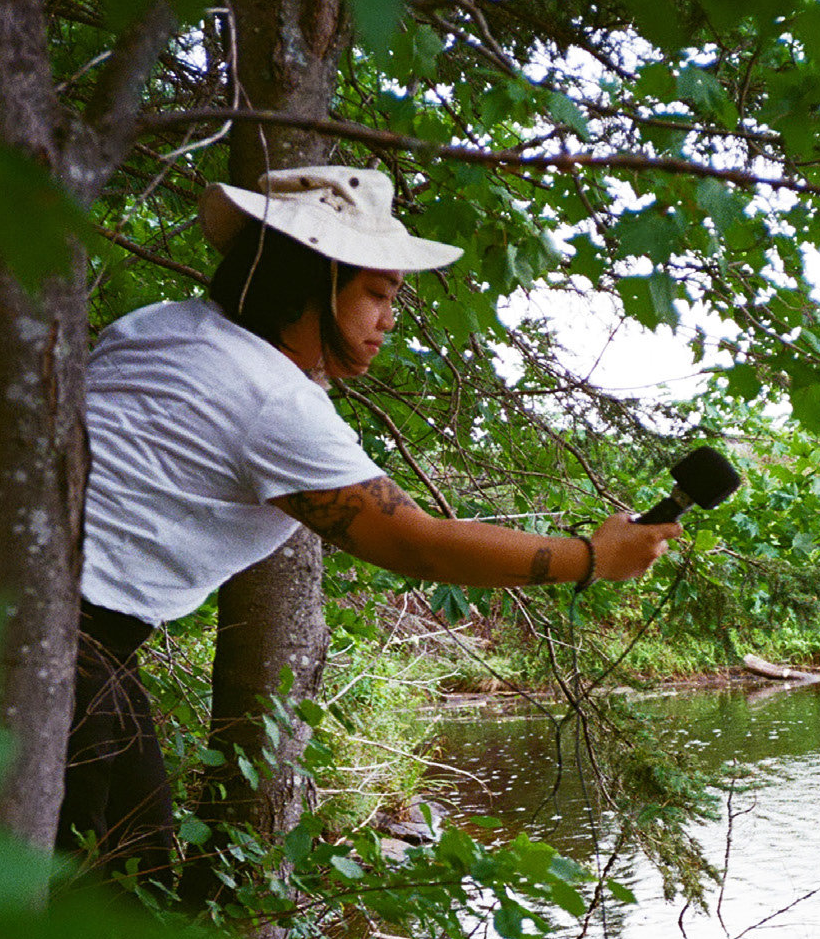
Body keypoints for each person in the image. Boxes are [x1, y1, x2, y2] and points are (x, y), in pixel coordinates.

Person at [59, 164, 679, 883]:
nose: (390, 318)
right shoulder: (273, 400)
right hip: (66, 642)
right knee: (94, 912)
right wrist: (591, 557)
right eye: (378, 294)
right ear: (311, 284)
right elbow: (416, 544)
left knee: (125, 883)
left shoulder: (163, 327)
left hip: (59, 623)